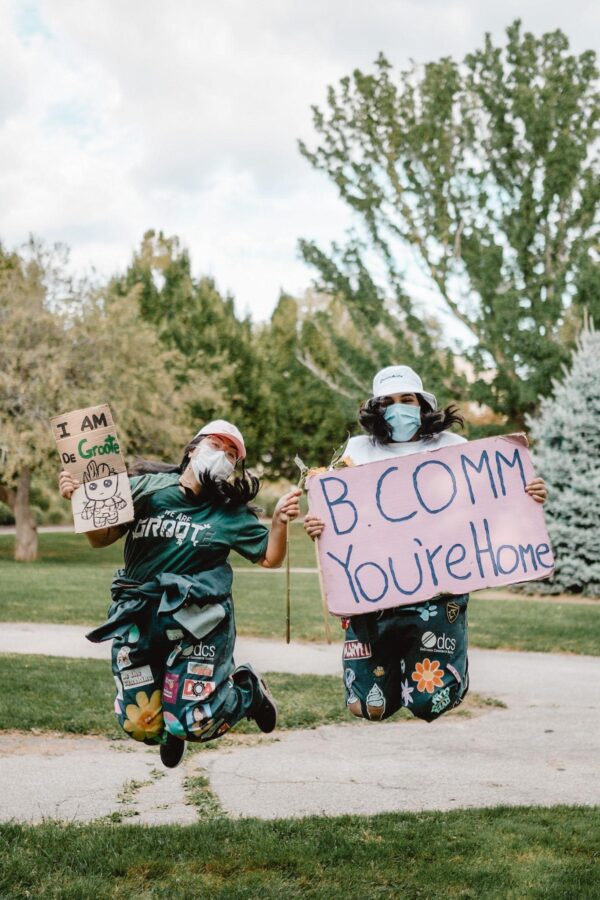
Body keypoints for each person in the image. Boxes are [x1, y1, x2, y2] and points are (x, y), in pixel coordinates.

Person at [304, 365, 547, 724]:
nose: (398, 407)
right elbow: (339, 516)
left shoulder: (452, 448)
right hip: (373, 594)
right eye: (388, 401)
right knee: (368, 706)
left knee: (429, 701)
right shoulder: (355, 452)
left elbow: (489, 498)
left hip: (435, 592)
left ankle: (447, 675)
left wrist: (527, 493)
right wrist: (318, 524)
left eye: (406, 399)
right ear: (376, 407)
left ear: (421, 404)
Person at [59, 419, 301, 768]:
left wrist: (278, 521)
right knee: (139, 721)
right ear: (193, 450)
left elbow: (269, 558)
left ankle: (248, 692)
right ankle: (170, 729)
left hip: (199, 621)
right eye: (216, 446)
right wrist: (82, 500)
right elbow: (101, 539)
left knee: (197, 721)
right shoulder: (144, 488)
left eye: (232, 455)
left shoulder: (229, 513)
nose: (223, 457)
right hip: (138, 615)